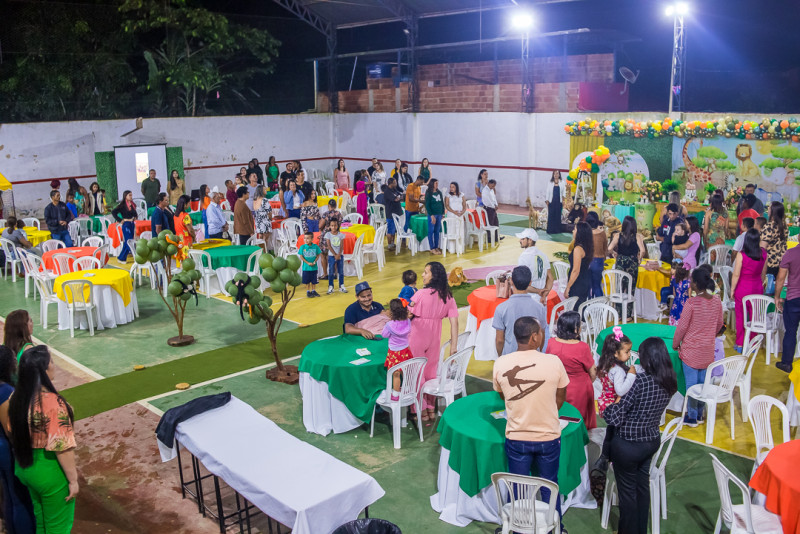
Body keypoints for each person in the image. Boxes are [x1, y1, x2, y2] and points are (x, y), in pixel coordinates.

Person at [492, 316, 569, 527]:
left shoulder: (501, 363)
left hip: (517, 437)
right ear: (534, 336)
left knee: (518, 487)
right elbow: (560, 398)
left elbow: (503, 396)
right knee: (549, 485)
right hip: (549, 436)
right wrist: (544, 411)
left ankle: (518, 528)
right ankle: (557, 527)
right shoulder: (554, 362)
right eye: (541, 332)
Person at [603, 337, 676, 534]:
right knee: (641, 489)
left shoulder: (638, 382)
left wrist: (608, 406)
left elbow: (615, 417)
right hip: (651, 440)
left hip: (628, 444)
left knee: (627, 495)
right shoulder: (669, 380)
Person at [10, 346, 79, 533]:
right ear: (44, 370)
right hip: (49, 471)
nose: (54, 366)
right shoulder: (53, 403)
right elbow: (61, 446)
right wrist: (73, 480)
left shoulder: (16, 397)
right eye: (52, 362)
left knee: (41, 522)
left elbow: (10, 429)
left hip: (25, 466)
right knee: (58, 527)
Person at [673, 268, 723, 426]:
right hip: (708, 350)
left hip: (691, 350)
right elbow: (720, 324)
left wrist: (676, 344)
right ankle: (700, 414)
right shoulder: (716, 301)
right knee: (703, 384)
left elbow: (681, 328)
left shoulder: (692, 303)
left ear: (695, 284)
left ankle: (692, 417)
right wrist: (709, 335)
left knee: (692, 385)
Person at [409, 262, 458, 423]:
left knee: (417, 373)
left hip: (417, 335)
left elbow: (408, 315)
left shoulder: (420, 295)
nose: (422, 275)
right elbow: (454, 323)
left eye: (425, 272)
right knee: (430, 373)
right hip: (435, 337)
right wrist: (454, 347)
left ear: (433, 276)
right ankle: (430, 409)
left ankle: (419, 410)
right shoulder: (447, 296)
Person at [0, 346, 36, 533]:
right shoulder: (6, 392)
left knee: (8, 494)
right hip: (6, 451)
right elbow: (10, 430)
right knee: (20, 498)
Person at [546, 310, 597, 429]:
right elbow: (592, 371)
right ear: (575, 329)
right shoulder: (582, 347)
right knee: (579, 419)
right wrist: (588, 382)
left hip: (557, 385)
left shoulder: (551, 343)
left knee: (560, 417)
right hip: (579, 388)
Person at [593, 327, 635, 472]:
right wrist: (631, 375)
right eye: (627, 352)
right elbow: (621, 390)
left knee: (611, 431)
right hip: (615, 405)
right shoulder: (617, 370)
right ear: (616, 353)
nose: (629, 355)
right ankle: (614, 458)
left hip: (605, 403)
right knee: (616, 433)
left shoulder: (605, 364)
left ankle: (604, 457)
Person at [493, 266, 549, 357]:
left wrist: (501, 357)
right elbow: (542, 334)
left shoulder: (501, 308)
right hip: (533, 356)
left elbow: (499, 340)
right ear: (530, 283)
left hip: (510, 356)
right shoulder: (540, 308)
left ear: (511, 281)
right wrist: (538, 352)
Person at [731, 228, 767, 352]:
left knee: (741, 316)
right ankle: (752, 343)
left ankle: (740, 344)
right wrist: (761, 284)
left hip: (743, 288)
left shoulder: (742, 254)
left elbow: (736, 275)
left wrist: (732, 290)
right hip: (757, 287)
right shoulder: (763, 253)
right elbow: (763, 274)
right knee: (754, 316)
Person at [609, 216, 645, 315]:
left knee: (619, 288)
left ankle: (619, 314)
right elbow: (642, 250)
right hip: (632, 263)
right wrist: (639, 259)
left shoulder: (617, 235)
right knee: (630, 289)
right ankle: (628, 315)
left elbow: (609, 248)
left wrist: (613, 253)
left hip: (620, 262)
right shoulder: (637, 236)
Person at [776, 229, 800, 373]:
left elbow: (780, 278)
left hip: (793, 298)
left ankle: (786, 363)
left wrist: (777, 296)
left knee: (791, 331)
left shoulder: (790, 254)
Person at [382, 299, 414, 400]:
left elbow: (384, 335)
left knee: (396, 374)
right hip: (405, 350)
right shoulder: (407, 321)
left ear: (392, 312)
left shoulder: (389, 325)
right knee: (405, 371)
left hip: (394, 352)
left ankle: (395, 394)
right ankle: (407, 389)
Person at [516, 228, 553, 301]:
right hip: (542, 299)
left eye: (523, 239)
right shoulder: (543, 255)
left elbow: (522, 284)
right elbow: (550, 278)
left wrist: (538, 292)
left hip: (528, 299)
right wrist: (545, 293)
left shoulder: (524, 257)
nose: (520, 240)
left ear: (530, 240)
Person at [565, 221, 593, 307]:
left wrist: (568, 287)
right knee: (581, 306)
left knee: (576, 307)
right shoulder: (587, 246)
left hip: (578, 282)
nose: (573, 231)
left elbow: (575, 271)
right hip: (585, 280)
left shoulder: (578, 249)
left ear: (580, 233)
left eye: (575, 229)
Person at [760, 201, 787, 280]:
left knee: (765, 287)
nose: (768, 209)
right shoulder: (784, 226)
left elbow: (762, 248)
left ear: (773, 211)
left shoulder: (769, 227)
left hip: (767, 263)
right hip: (779, 262)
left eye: (769, 208)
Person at [585, 212, 607, 299]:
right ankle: (600, 308)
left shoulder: (585, 233)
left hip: (587, 260)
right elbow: (605, 249)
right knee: (597, 286)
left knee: (587, 287)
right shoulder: (602, 233)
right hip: (599, 261)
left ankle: (587, 307)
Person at [111, 190, 138, 261]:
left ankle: (121, 257)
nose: (131, 196)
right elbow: (113, 212)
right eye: (129, 195)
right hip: (126, 224)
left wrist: (135, 217)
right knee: (129, 241)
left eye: (131, 195)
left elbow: (135, 213)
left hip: (132, 224)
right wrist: (120, 220)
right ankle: (134, 255)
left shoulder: (132, 204)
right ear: (125, 196)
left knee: (129, 240)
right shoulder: (122, 205)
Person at [323, 219, 346, 294]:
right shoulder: (328, 235)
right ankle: (331, 286)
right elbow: (328, 245)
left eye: (335, 225)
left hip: (340, 255)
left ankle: (341, 286)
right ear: (329, 226)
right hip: (331, 256)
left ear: (337, 225)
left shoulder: (341, 235)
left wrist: (339, 254)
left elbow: (342, 245)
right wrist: (335, 254)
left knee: (341, 271)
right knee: (331, 271)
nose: (333, 227)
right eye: (332, 225)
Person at [382, 178, 404, 250]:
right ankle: (389, 244)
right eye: (394, 183)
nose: (396, 184)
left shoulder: (394, 190)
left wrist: (399, 197)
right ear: (390, 183)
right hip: (390, 213)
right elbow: (396, 199)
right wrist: (398, 198)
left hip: (396, 212)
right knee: (390, 230)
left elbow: (400, 196)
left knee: (394, 230)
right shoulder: (387, 192)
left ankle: (392, 243)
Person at [424, 178, 445, 255]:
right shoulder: (428, 193)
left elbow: (442, 203)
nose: (437, 184)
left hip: (439, 214)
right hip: (432, 214)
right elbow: (427, 205)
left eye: (437, 183)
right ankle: (432, 248)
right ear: (432, 184)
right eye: (435, 183)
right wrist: (431, 215)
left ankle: (436, 246)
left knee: (437, 231)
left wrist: (443, 213)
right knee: (431, 231)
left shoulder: (439, 192)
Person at [298, 231, 322, 298]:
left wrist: (315, 261)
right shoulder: (302, 247)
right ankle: (308, 291)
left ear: (312, 239)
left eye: (308, 238)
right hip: (306, 268)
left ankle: (314, 290)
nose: (306, 240)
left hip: (314, 268)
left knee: (314, 280)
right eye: (305, 238)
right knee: (307, 281)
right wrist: (307, 263)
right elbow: (301, 256)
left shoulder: (315, 247)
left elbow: (318, 254)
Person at [545, 170, 565, 234]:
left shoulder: (562, 182)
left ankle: (557, 230)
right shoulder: (550, 182)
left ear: (559, 174)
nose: (556, 175)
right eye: (554, 174)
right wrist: (547, 200)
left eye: (557, 173)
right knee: (551, 215)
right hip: (551, 201)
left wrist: (563, 200)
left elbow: (564, 192)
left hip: (559, 202)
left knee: (558, 215)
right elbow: (547, 191)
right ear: (553, 175)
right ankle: (550, 230)